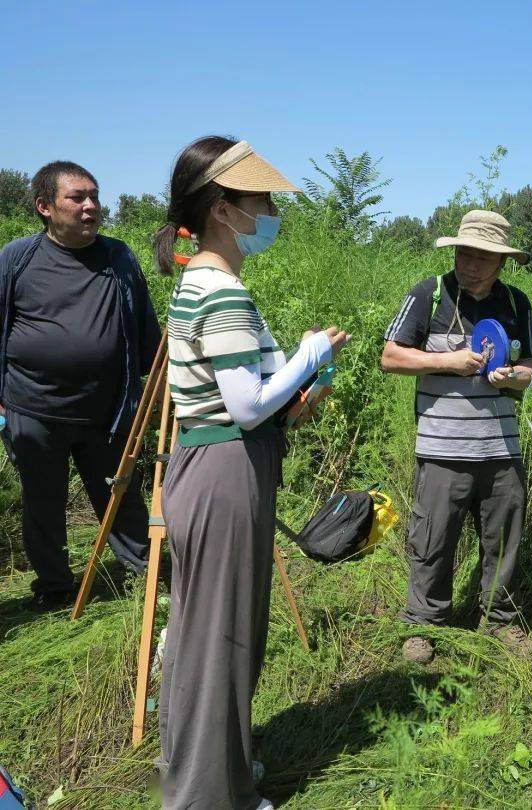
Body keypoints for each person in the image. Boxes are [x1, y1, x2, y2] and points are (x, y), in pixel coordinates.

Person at [152, 136, 349, 810]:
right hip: (223, 474)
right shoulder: (223, 291)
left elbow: (239, 404)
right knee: (221, 641)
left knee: (214, 633)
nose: (270, 211)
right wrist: (309, 351)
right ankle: (208, 798)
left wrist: (294, 398)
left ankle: (219, 771)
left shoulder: (201, 284)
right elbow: (245, 403)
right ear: (222, 211)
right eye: (259, 199)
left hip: (217, 461)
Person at [381, 209, 532, 665]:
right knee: (432, 538)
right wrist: (446, 363)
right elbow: (390, 356)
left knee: (504, 536)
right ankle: (422, 624)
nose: (469, 265)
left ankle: (500, 621)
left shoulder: (516, 305)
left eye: (482, 258)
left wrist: (515, 378)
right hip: (442, 446)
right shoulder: (429, 295)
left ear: (501, 262)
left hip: (502, 446)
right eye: (463, 255)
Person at [0, 161, 160, 612]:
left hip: (106, 410)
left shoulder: (119, 256)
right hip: (33, 409)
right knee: (42, 502)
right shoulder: (17, 258)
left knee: (121, 492)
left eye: (94, 195)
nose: (90, 206)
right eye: (77, 197)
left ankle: (142, 576)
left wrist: (157, 377)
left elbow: (143, 325)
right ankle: (54, 587)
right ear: (45, 207)